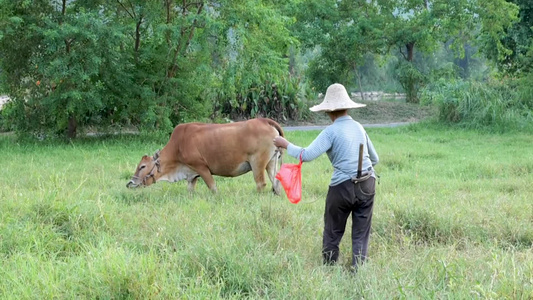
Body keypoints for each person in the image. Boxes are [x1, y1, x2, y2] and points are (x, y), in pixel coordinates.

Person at [273, 83, 379, 269]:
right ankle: (359, 271)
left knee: (333, 231)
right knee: (361, 234)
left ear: (328, 111)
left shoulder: (330, 132)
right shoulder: (359, 127)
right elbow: (375, 158)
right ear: (347, 107)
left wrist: (285, 144)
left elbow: (306, 155)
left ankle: (329, 268)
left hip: (342, 188)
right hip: (368, 183)